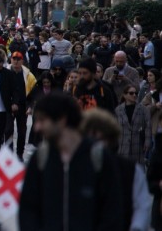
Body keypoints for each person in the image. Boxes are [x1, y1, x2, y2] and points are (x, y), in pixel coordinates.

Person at [18, 92, 123, 231]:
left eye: (42, 120)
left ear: (61, 119)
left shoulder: (98, 156)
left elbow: (113, 210)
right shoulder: (40, 158)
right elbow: (27, 209)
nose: (37, 127)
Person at [81, 109, 152, 231]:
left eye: (99, 139)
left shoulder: (131, 169)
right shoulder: (78, 168)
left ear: (110, 139)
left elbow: (142, 206)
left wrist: (136, 228)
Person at [114, 84, 152, 164]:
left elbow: (148, 126)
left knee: (137, 168)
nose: (134, 95)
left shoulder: (143, 109)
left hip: (137, 143)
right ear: (124, 95)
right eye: (131, 93)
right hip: (122, 143)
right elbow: (115, 127)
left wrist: (147, 141)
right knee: (123, 168)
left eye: (136, 93)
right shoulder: (118, 110)